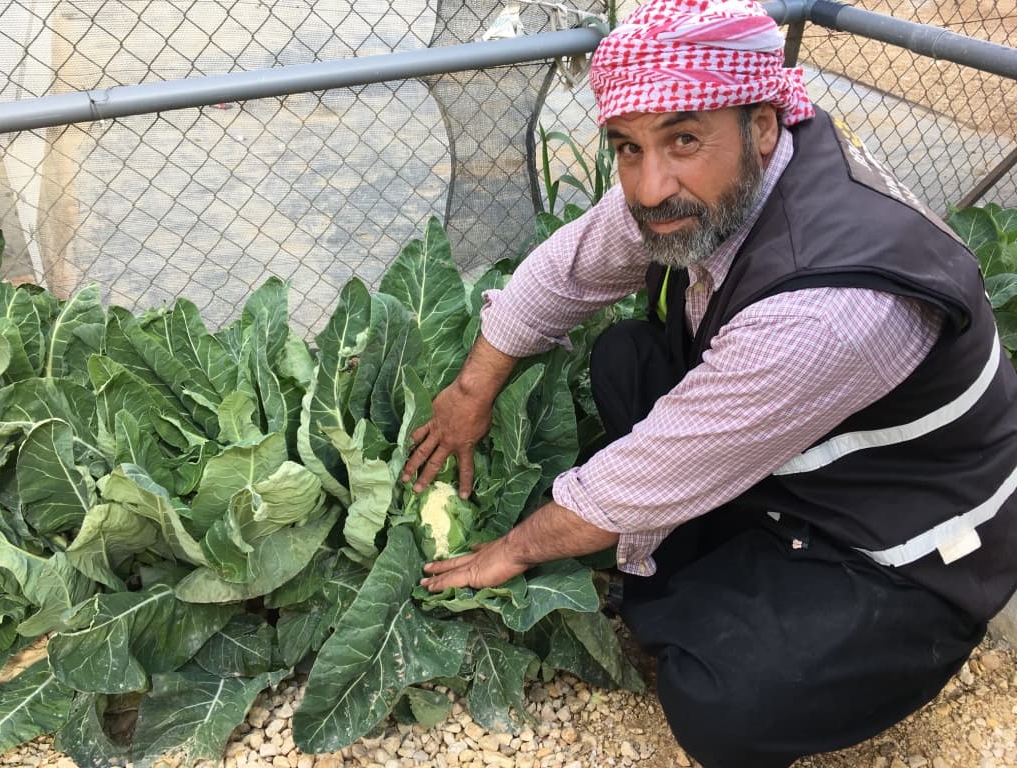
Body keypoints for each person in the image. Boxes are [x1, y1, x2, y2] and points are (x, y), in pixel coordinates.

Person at [400, 0, 1017, 765]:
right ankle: (718, 569)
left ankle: (824, 625)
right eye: (628, 148)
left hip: (904, 536)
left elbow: (638, 483)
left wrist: (512, 551)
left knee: (722, 707)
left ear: (761, 126)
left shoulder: (823, 312)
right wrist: (470, 392)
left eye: (683, 139)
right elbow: (568, 269)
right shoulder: (715, 184)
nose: (650, 185)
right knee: (626, 358)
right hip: (805, 459)